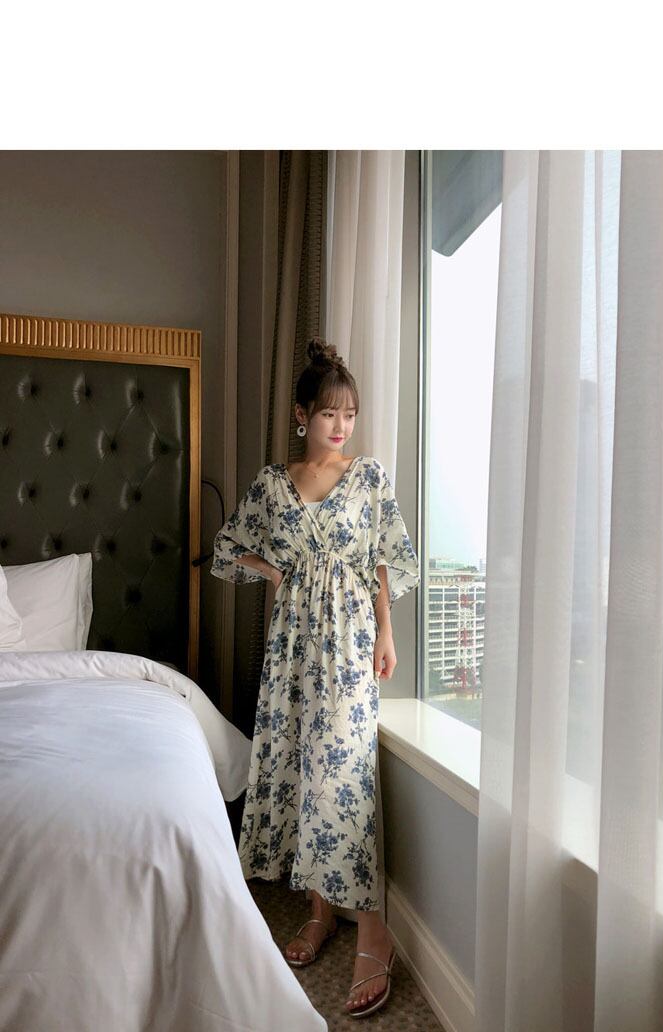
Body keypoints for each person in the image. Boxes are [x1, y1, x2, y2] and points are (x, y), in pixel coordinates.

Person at [211, 338, 420, 1018]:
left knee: (345, 776)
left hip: (352, 641)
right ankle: (319, 910)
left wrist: (386, 631)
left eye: (349, 414)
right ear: (302, 415)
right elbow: (227, 547)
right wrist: (275, 571)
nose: (341, 425)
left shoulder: (369, 478)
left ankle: (373, 932)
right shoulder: (274, 483)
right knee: (303, 769)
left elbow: (385, 558)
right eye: (329, 413)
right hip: (292, 646)